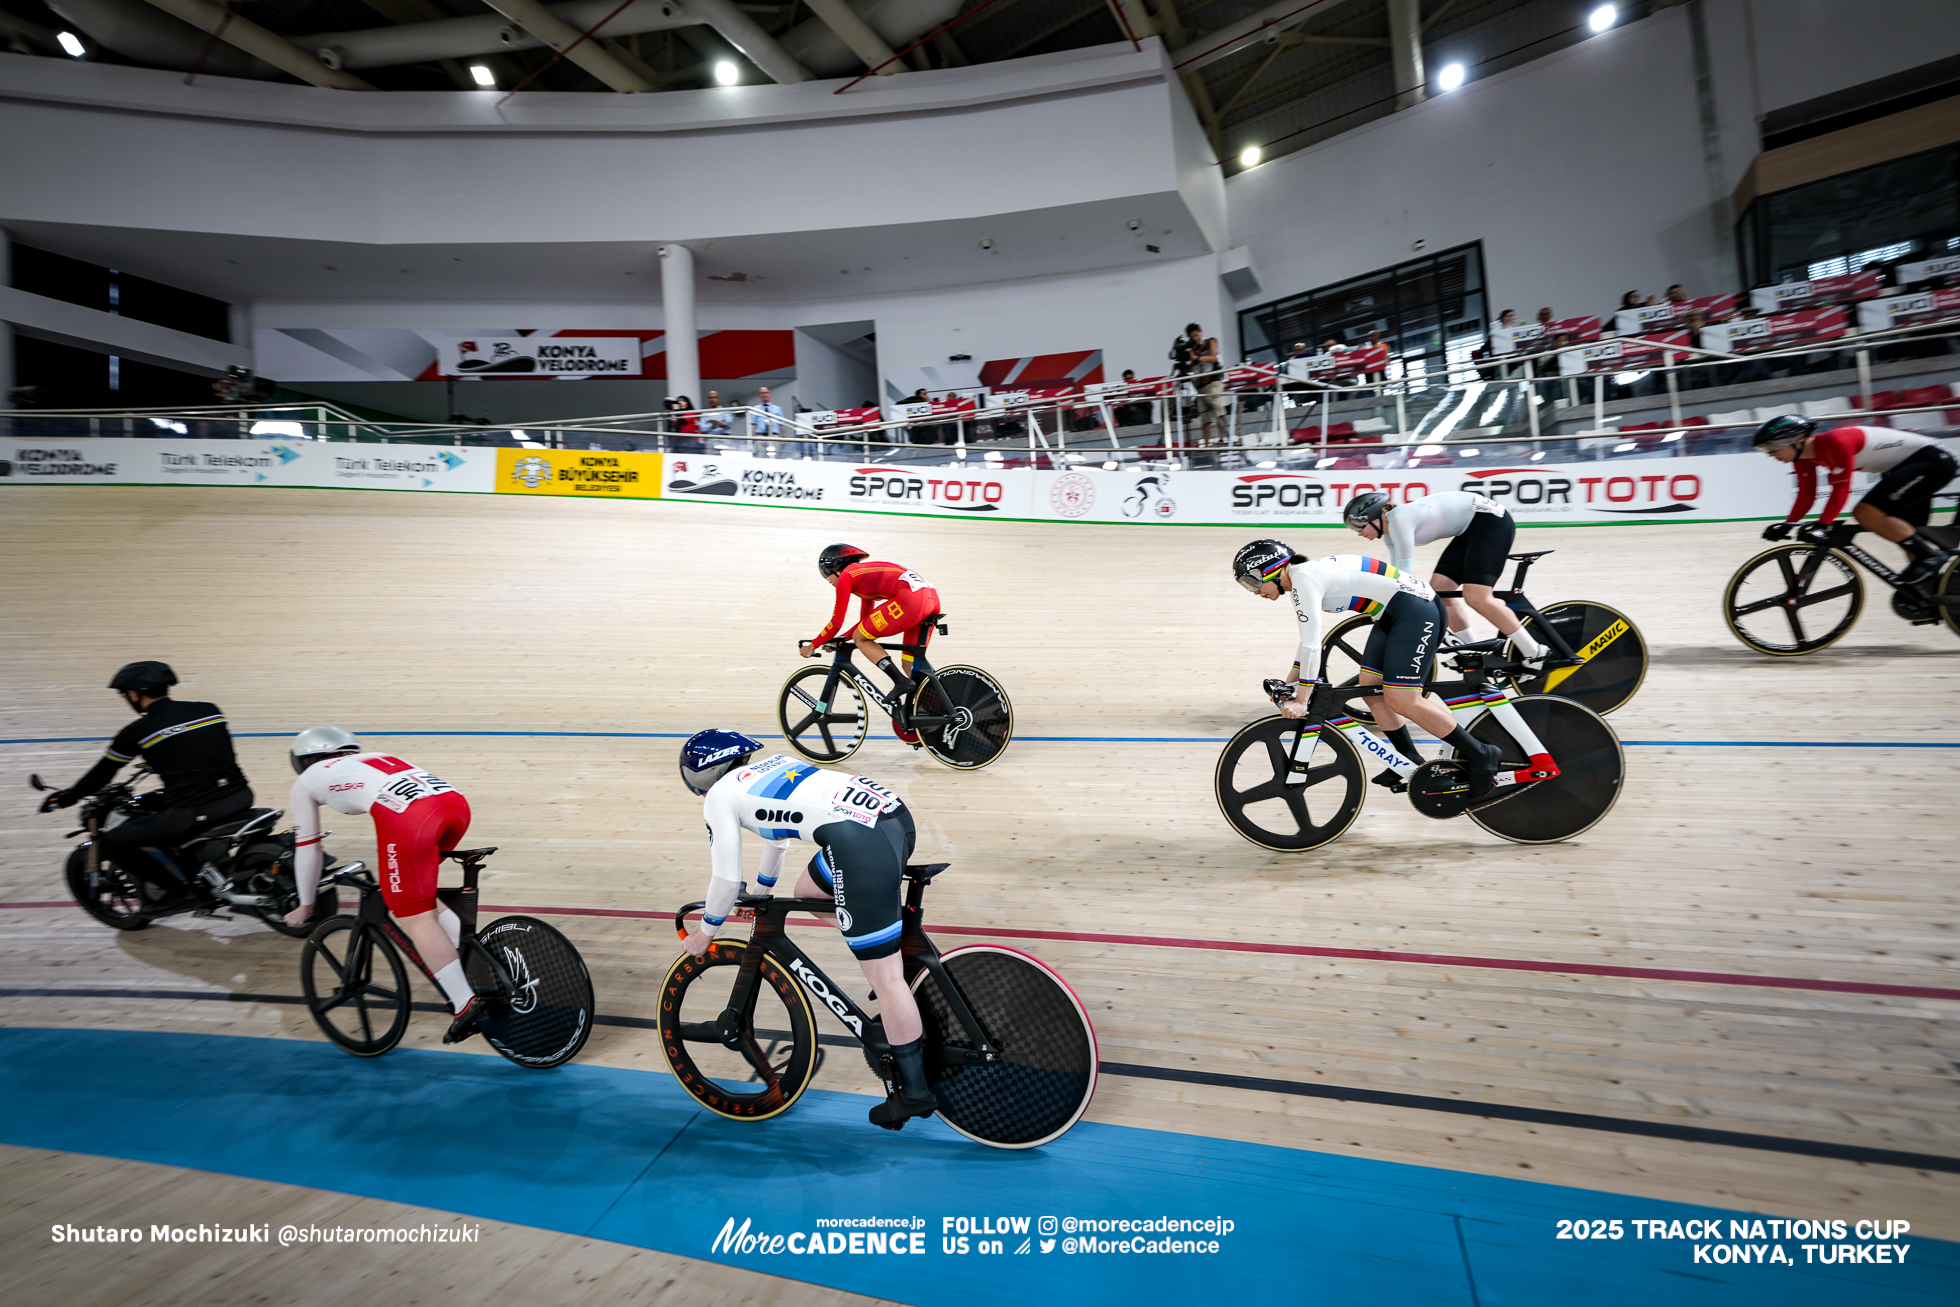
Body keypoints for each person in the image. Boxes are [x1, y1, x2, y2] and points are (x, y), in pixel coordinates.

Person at [676, 730, 938, 1131]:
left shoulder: (719, 797)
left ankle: (915, 1093)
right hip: (894, 819)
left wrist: (706, 931)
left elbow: (727, 881)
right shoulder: (771, 765)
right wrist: (762, 894)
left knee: (886, 981)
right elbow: (777, 842)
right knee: (807, 893)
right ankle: (885, 939)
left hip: (858, 843)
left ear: (706, 773)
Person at [1232, 540, 1503, 791]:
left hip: (1415, 609)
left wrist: (1302, 700)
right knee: (1371, 689)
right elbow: (1307, 645)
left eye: (1252, 581)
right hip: (1394, 613)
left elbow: (1314, 647)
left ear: (1270, 569)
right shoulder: (1303, 577)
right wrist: (1290, 683)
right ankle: (1407, 755)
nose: (1255, 591)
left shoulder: (1304, 579)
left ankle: (1480, 752)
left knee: (1403, 699)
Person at [280, 727, 485, 1043]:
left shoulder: (306, 780)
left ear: (304, 760)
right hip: (454, 806)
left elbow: (309, 849)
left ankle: (464, 1003)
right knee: (416, 892)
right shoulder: (374, 758)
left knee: (413, 915)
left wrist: (307, 905)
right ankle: (474, 958)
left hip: (413, 820)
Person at [39, 661, 254, 912]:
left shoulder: (137, 731)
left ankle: (180, 893)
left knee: (112, 842)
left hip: (196, 810)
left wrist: (68, 796)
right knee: (163, 807)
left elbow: (102, 774)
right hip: (241, 795)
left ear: (134, 694)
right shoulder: (208, 709)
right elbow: (200, 748)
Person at [1341, 491, 1545, 659]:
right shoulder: (1390, 533)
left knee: (1477, 597)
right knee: (1441, 594)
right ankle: (1473, 651)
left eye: (1359, 525)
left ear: (1376, 516)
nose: (1358, 532)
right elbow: (1397, 576)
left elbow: (1405, 572)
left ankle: (1534, 652)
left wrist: (1387, 607)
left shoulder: (1398, 518)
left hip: (1490, 521)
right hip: (1469, 528)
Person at [1754, 416, 1959, 582]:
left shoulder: (1835, 442)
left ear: (1796, 440)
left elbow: (1841, 490)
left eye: (1771, 448)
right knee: (1908, 536)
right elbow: (1807, 495)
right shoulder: (1802, 459)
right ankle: (1934, 593)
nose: (1770, 454)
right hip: (1907, 468)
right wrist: (1788, 524)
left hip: (1932, 461)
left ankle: (1930, 556)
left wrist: (1822, 525)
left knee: (1865, 512)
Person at [800, 544, 942, 744]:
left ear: (836, 568)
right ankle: (940, 707)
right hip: (930, 599)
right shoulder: (862, 578)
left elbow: (837, 622)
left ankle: (900, 682)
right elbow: (866, 621)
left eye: (826, 575)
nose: (828, 581)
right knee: (910, 664)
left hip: (910, 599)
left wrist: (813, 644)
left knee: (862, 638)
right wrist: (839, 639)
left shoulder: (847, 576)